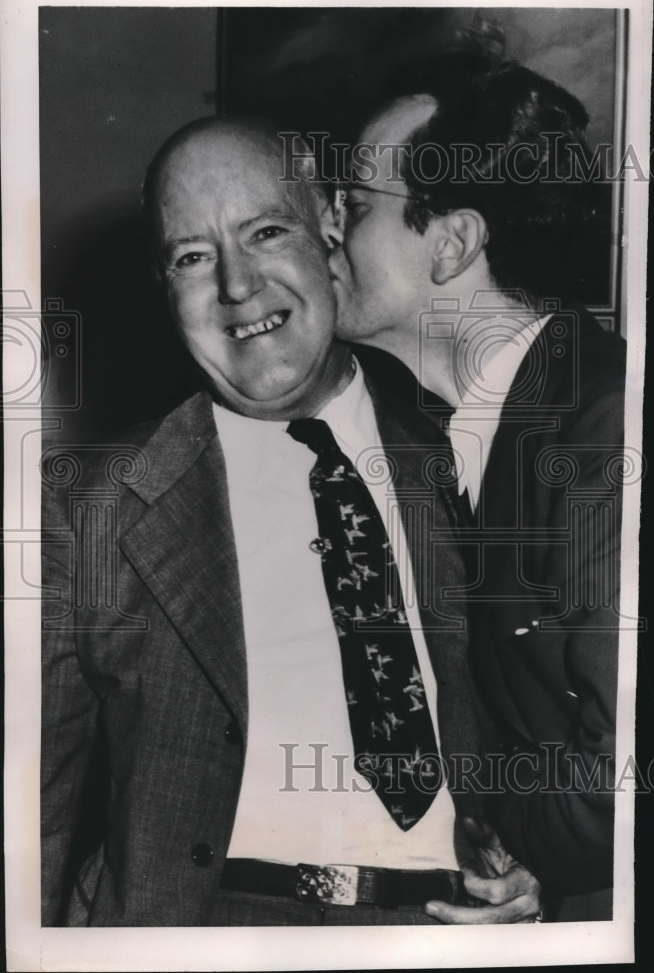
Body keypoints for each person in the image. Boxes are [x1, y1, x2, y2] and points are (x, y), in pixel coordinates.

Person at [41, 115, 540, 926]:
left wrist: (534, 869)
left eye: (266, 231)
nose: (237, 287)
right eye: (192, 257)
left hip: (445, 933)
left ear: (331, 226)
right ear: (162, 284)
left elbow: (559, 727)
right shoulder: (88, 506)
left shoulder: (468, 457)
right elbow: (33, 816)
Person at [330, 63, 625, 921]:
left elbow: (622, 769)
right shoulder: (480, 428)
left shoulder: (604, 429)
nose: (326, 235)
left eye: (353, 206)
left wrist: (535, 852)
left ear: (453, 242)